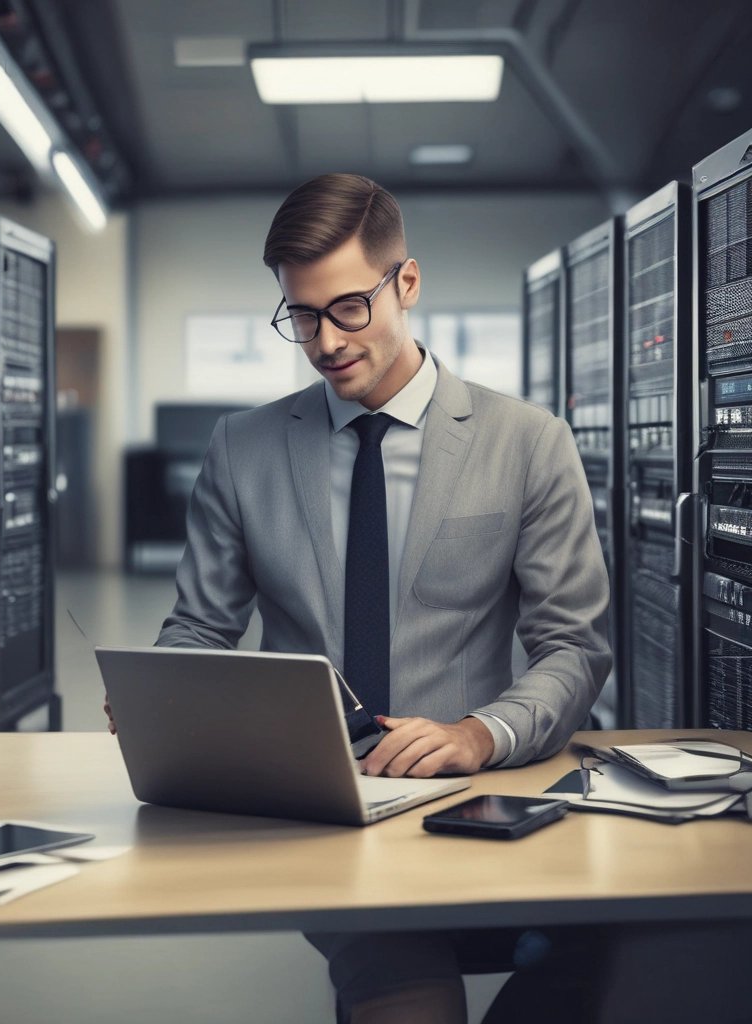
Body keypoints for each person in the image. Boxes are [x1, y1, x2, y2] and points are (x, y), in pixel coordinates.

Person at [111, 172, 613, 1023]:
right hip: (321, 803)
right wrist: (164, 694)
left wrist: (476, 734)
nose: (323, 341)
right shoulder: (245, 449)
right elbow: (199, 625)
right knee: (409, 997)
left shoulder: (529, 443)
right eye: (299, 316)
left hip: (482, 786)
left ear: (405, 284)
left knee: (659, 953)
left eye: (346, 308)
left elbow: (575, 646)